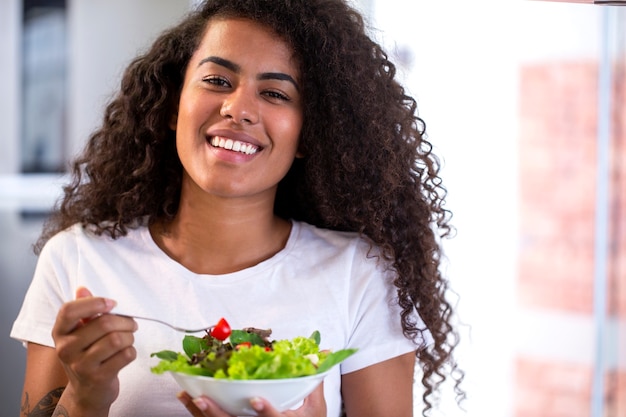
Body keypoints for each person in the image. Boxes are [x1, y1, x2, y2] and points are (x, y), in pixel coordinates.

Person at [11, 0, 465, 416]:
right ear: (174, 105)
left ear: (307, 136)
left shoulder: (359, 273)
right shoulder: (76, 259)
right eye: (217, 81)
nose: (238, 108)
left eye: (275, 94)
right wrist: (84, 394)